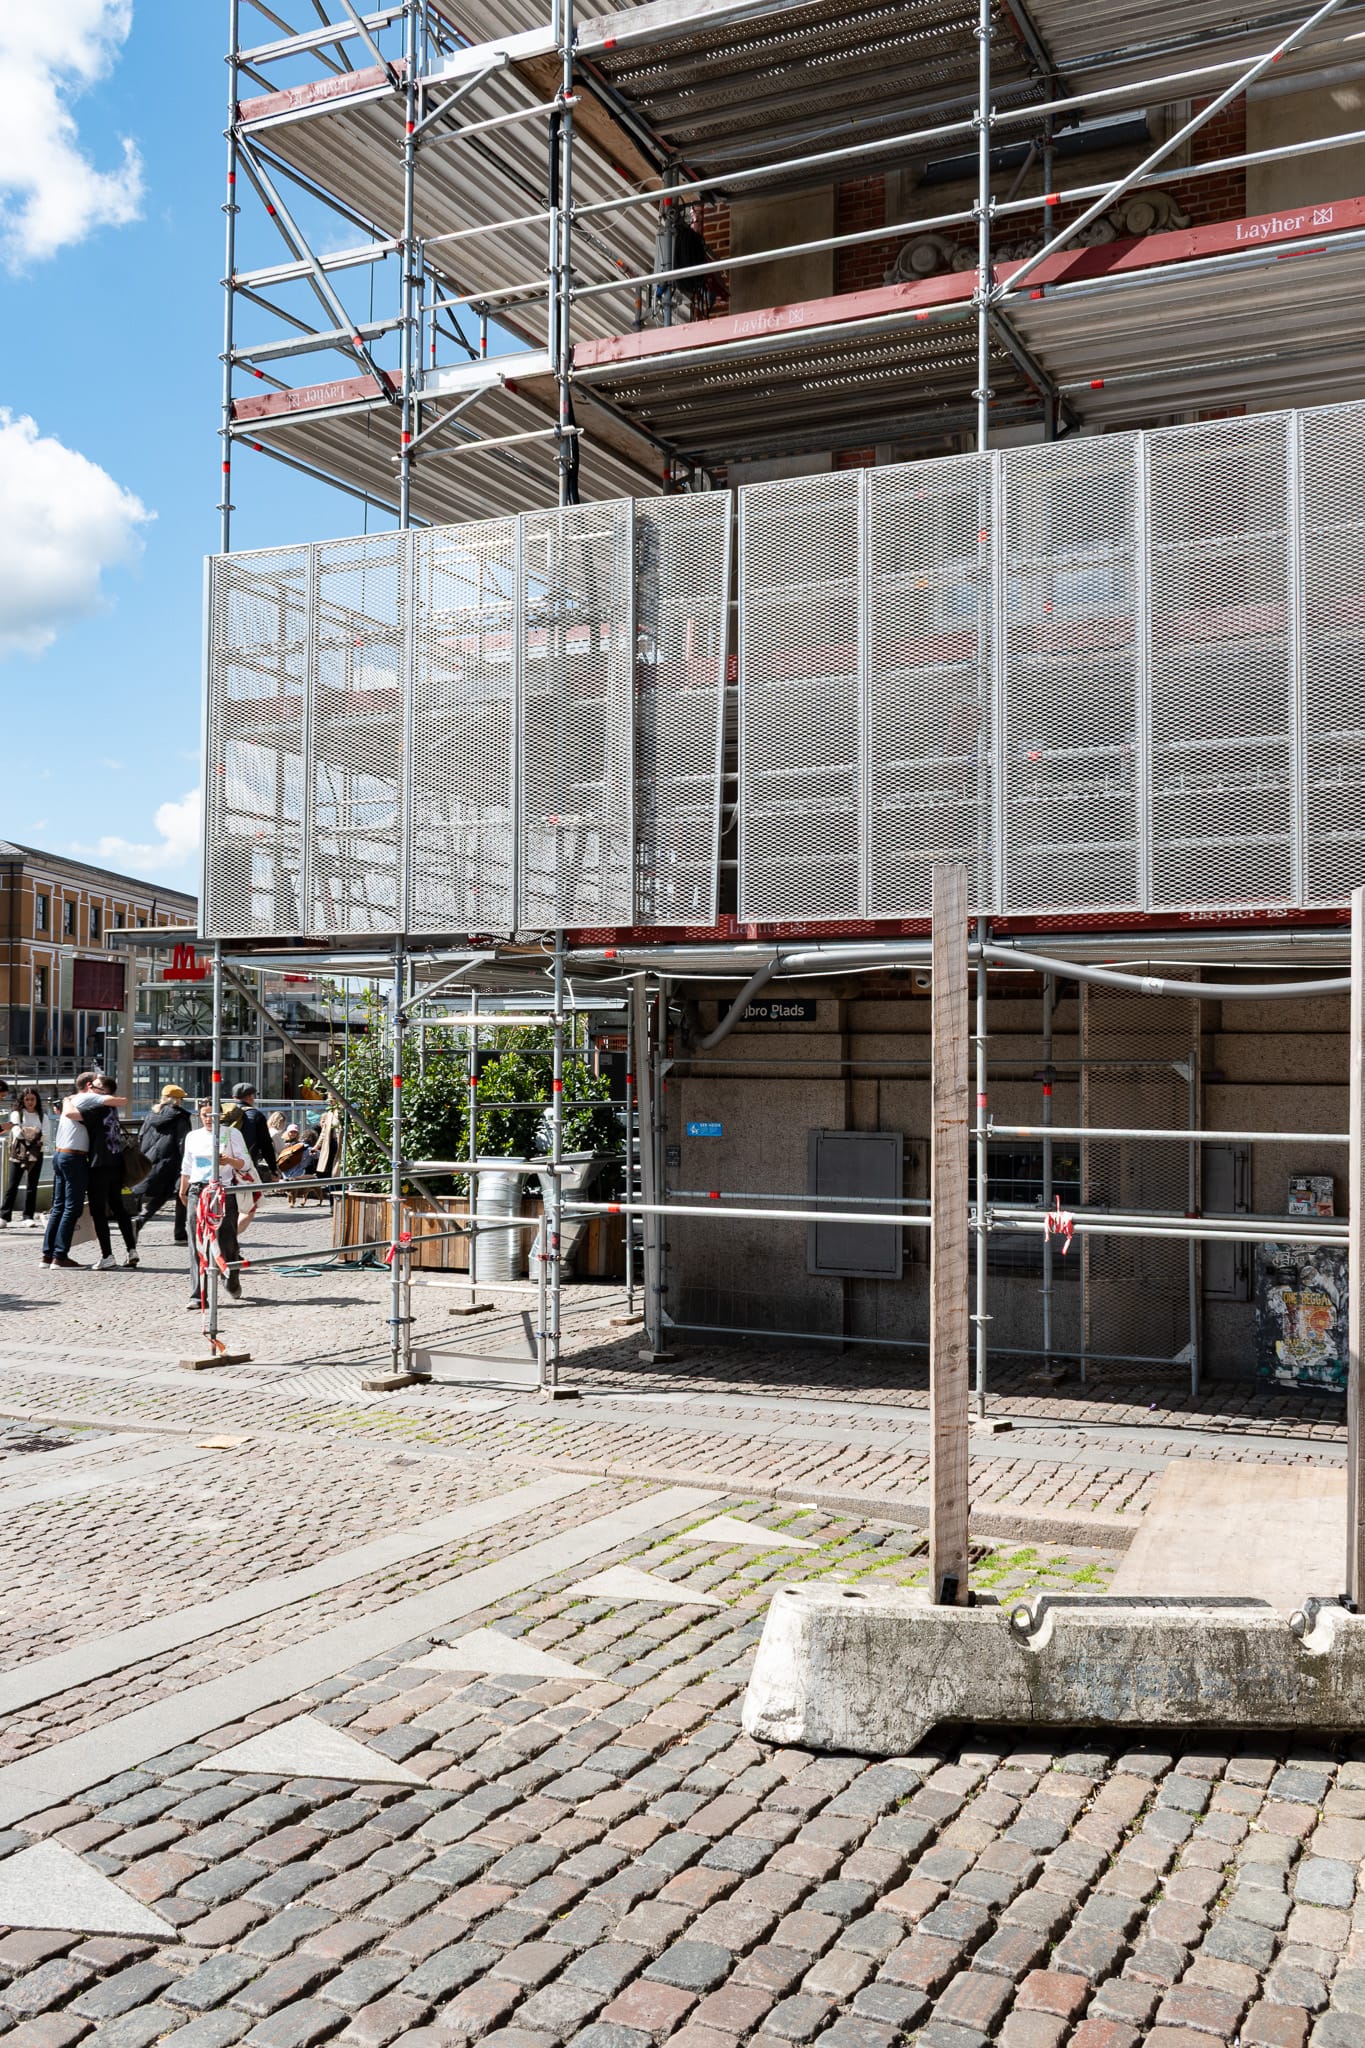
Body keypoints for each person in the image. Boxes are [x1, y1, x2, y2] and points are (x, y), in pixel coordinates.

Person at [179, 1097, 259, 1310]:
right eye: (204, 1115)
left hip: (223, 1191)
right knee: (196, 1242)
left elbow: (245, 1163)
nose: (208, 1119)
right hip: (198, 1189)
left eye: (212, 1115)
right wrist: (183, 1188)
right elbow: (187, 1164)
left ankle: (231, 1278)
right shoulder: (193, 1136)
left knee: (227, 1240)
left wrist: (229, 1161)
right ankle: (198, 1294)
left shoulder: (232, 1134)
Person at [42, 1072, 127, 1270]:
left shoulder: (75, 1099)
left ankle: (47, 1255)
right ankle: (60, 1256)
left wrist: (67, 1100)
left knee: (59, 1206)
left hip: (60, 1154)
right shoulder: (90, 1097)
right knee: (73, 1207)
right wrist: (104, 1098)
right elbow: (120, 1100)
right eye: (96, 1084)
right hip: (75, 1157)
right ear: (89, 1086)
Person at [87, 1077, 139, 1271]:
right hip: (116, 1163)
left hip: (99, 1165)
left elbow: (73, 1115)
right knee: (119, 1208)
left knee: (98, 1212)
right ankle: (132, 1250)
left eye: (95, 1086)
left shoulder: (95, 1108)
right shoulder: (112, 1109)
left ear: (104, 1091)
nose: (90, 1088)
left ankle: (107, 1255)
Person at [132, 1086, 192, 1244]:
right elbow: (183, 1142)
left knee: (163, 1194)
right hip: (174, 1162)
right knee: (182, 1193)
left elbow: (140, 1137)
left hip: (152, 1160)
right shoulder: (180, 1117)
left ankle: (140, 1220)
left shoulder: (152, 1114)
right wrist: (188, 1163)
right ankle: (179, 1232)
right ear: (177, 1100)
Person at [1, 1088, 45, 1228]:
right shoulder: (17, 1114)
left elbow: (46, 1134)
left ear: (37, 1100)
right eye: (27, 1099)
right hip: (18, 1153)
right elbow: (17, 1132)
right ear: (22, 1100)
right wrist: (34, 1133)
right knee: (12, 1185)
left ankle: (28, 1216)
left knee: (32, 1185)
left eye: (32, 1099)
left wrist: (28, 1132)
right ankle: (4, 1216)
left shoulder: (42, 1115)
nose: (30, 1102)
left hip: (36, 1153)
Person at [232, 1084, 279, 1186]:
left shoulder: (225, 1114)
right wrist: (273, 1168)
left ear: (234, 1097)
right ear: (250, 1097)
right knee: (249, 1196)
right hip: (247, 1164)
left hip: (226, 1162)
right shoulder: (256, 1115)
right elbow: (266, 1144)